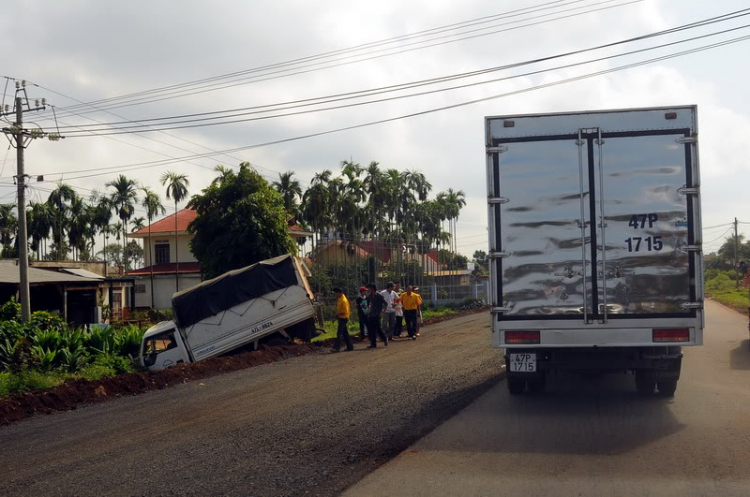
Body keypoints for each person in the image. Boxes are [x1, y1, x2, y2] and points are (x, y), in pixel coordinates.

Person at [366, 283, 388, 348]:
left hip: (377, 314)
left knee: (378, 329)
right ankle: (373, 344)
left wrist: (383, 312)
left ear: (372, 289)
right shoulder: (369, 296)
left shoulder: (379, 296)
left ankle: (384, 338)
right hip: (371, 315)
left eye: (369, 288)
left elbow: (385, 304)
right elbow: (367, 304)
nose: (368, 290)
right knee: (371, 329)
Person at [332, 287, 353, 352]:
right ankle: (350, 347)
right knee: (345, 333)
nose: (335, 294)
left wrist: (337, 314)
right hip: (341, 318)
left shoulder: (344, 300)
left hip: (343, 318)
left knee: (339, 333)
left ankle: (336, 348)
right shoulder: (339, 299)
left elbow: (344, 312)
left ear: (339, 293)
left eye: (335, 293)